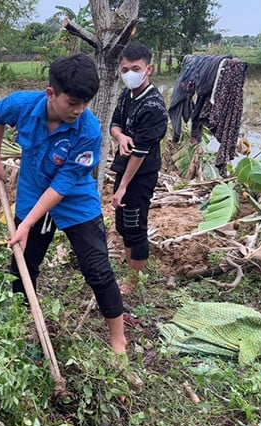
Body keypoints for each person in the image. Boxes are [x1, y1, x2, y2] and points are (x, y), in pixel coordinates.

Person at [0, 53, 127, 355]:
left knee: (98, 270)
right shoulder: (23, 105)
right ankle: (23, 324)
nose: (78, 110)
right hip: (32, 191)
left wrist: (25, 223)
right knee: (23, 264)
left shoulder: (88, 130)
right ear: (51, 94)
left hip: (75, 199)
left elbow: (63, 185)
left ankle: (118, 342)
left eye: (85, 103)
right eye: (72, 103)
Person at [110, 44, 168, 297]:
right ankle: (129, 266)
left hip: (140, 174)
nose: (130, 73)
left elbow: (141, 152)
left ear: (148, 70)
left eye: (136, 69)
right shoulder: (127, 95)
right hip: (124, 168)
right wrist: (121, 137)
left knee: (135, 226)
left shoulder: (153, 107)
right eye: (125, 69)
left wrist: (123, 187)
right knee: (123, 224)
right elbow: (114, 124)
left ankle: (133, 281)